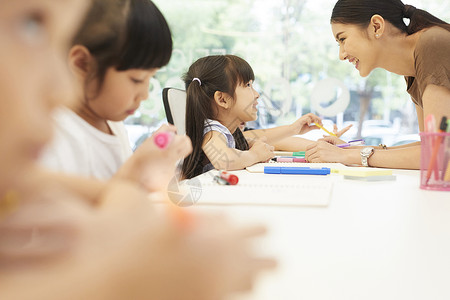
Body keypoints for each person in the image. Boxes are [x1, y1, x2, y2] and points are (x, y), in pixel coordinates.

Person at [0, 0, 275, 298]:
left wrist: (139, 171)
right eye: (136, 79)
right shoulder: (46, 143)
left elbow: (116, 198)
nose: (63, 89)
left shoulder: (110, 128)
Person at [40, 0, 190, 193]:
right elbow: (70, 217)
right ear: (83, 64)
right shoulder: (53, 135)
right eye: (137, 79)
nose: (144, 95)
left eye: (150, 78)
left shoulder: (114, 125)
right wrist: (135, 169)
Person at [305, 0, 450, 169]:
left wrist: (347, 155)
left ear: (376, 26)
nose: (341, 55)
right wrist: (353, 149)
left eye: (343, 39)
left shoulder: (432, 43)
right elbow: (427, 146)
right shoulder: (412, 69)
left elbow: (440, 153)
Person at [181, 54, 323, 179]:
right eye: (248, 85)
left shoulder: (229, 132)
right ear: (222, 99)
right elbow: (224, 160)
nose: (256, 94)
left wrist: (292, 129)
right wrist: (255, 155)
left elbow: (254, 138)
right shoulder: (211, 130)